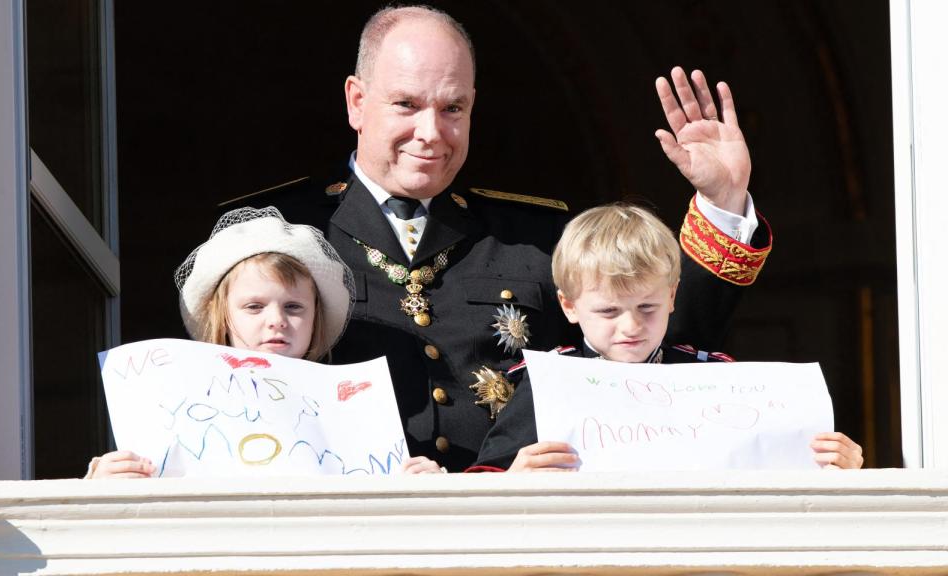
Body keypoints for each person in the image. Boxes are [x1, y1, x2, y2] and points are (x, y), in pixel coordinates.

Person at [226, 5, 772, 471]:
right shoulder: (275, 231)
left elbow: (656, 346)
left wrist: (723, 201)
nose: (431, 132)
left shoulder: (537, 236)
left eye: (452, 108)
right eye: (406, 105)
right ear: (356, 101)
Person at [469, 204, 863, 472]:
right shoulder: (546, 382)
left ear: (672, 296)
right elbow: (484, 481)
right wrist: (512, 478)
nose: (630, 327)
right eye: (608, 311)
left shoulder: (715, 376)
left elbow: (780, 471)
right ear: (569, 306)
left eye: (647, 308)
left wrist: (838, 467)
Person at [88, 207, 443, 477]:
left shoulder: (355, 408)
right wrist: (107, 480)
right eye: (254, 307)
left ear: (315, 318)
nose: (276, 320)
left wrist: (419, 484)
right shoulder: (172, 398)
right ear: (222, 316)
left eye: (294, 307)